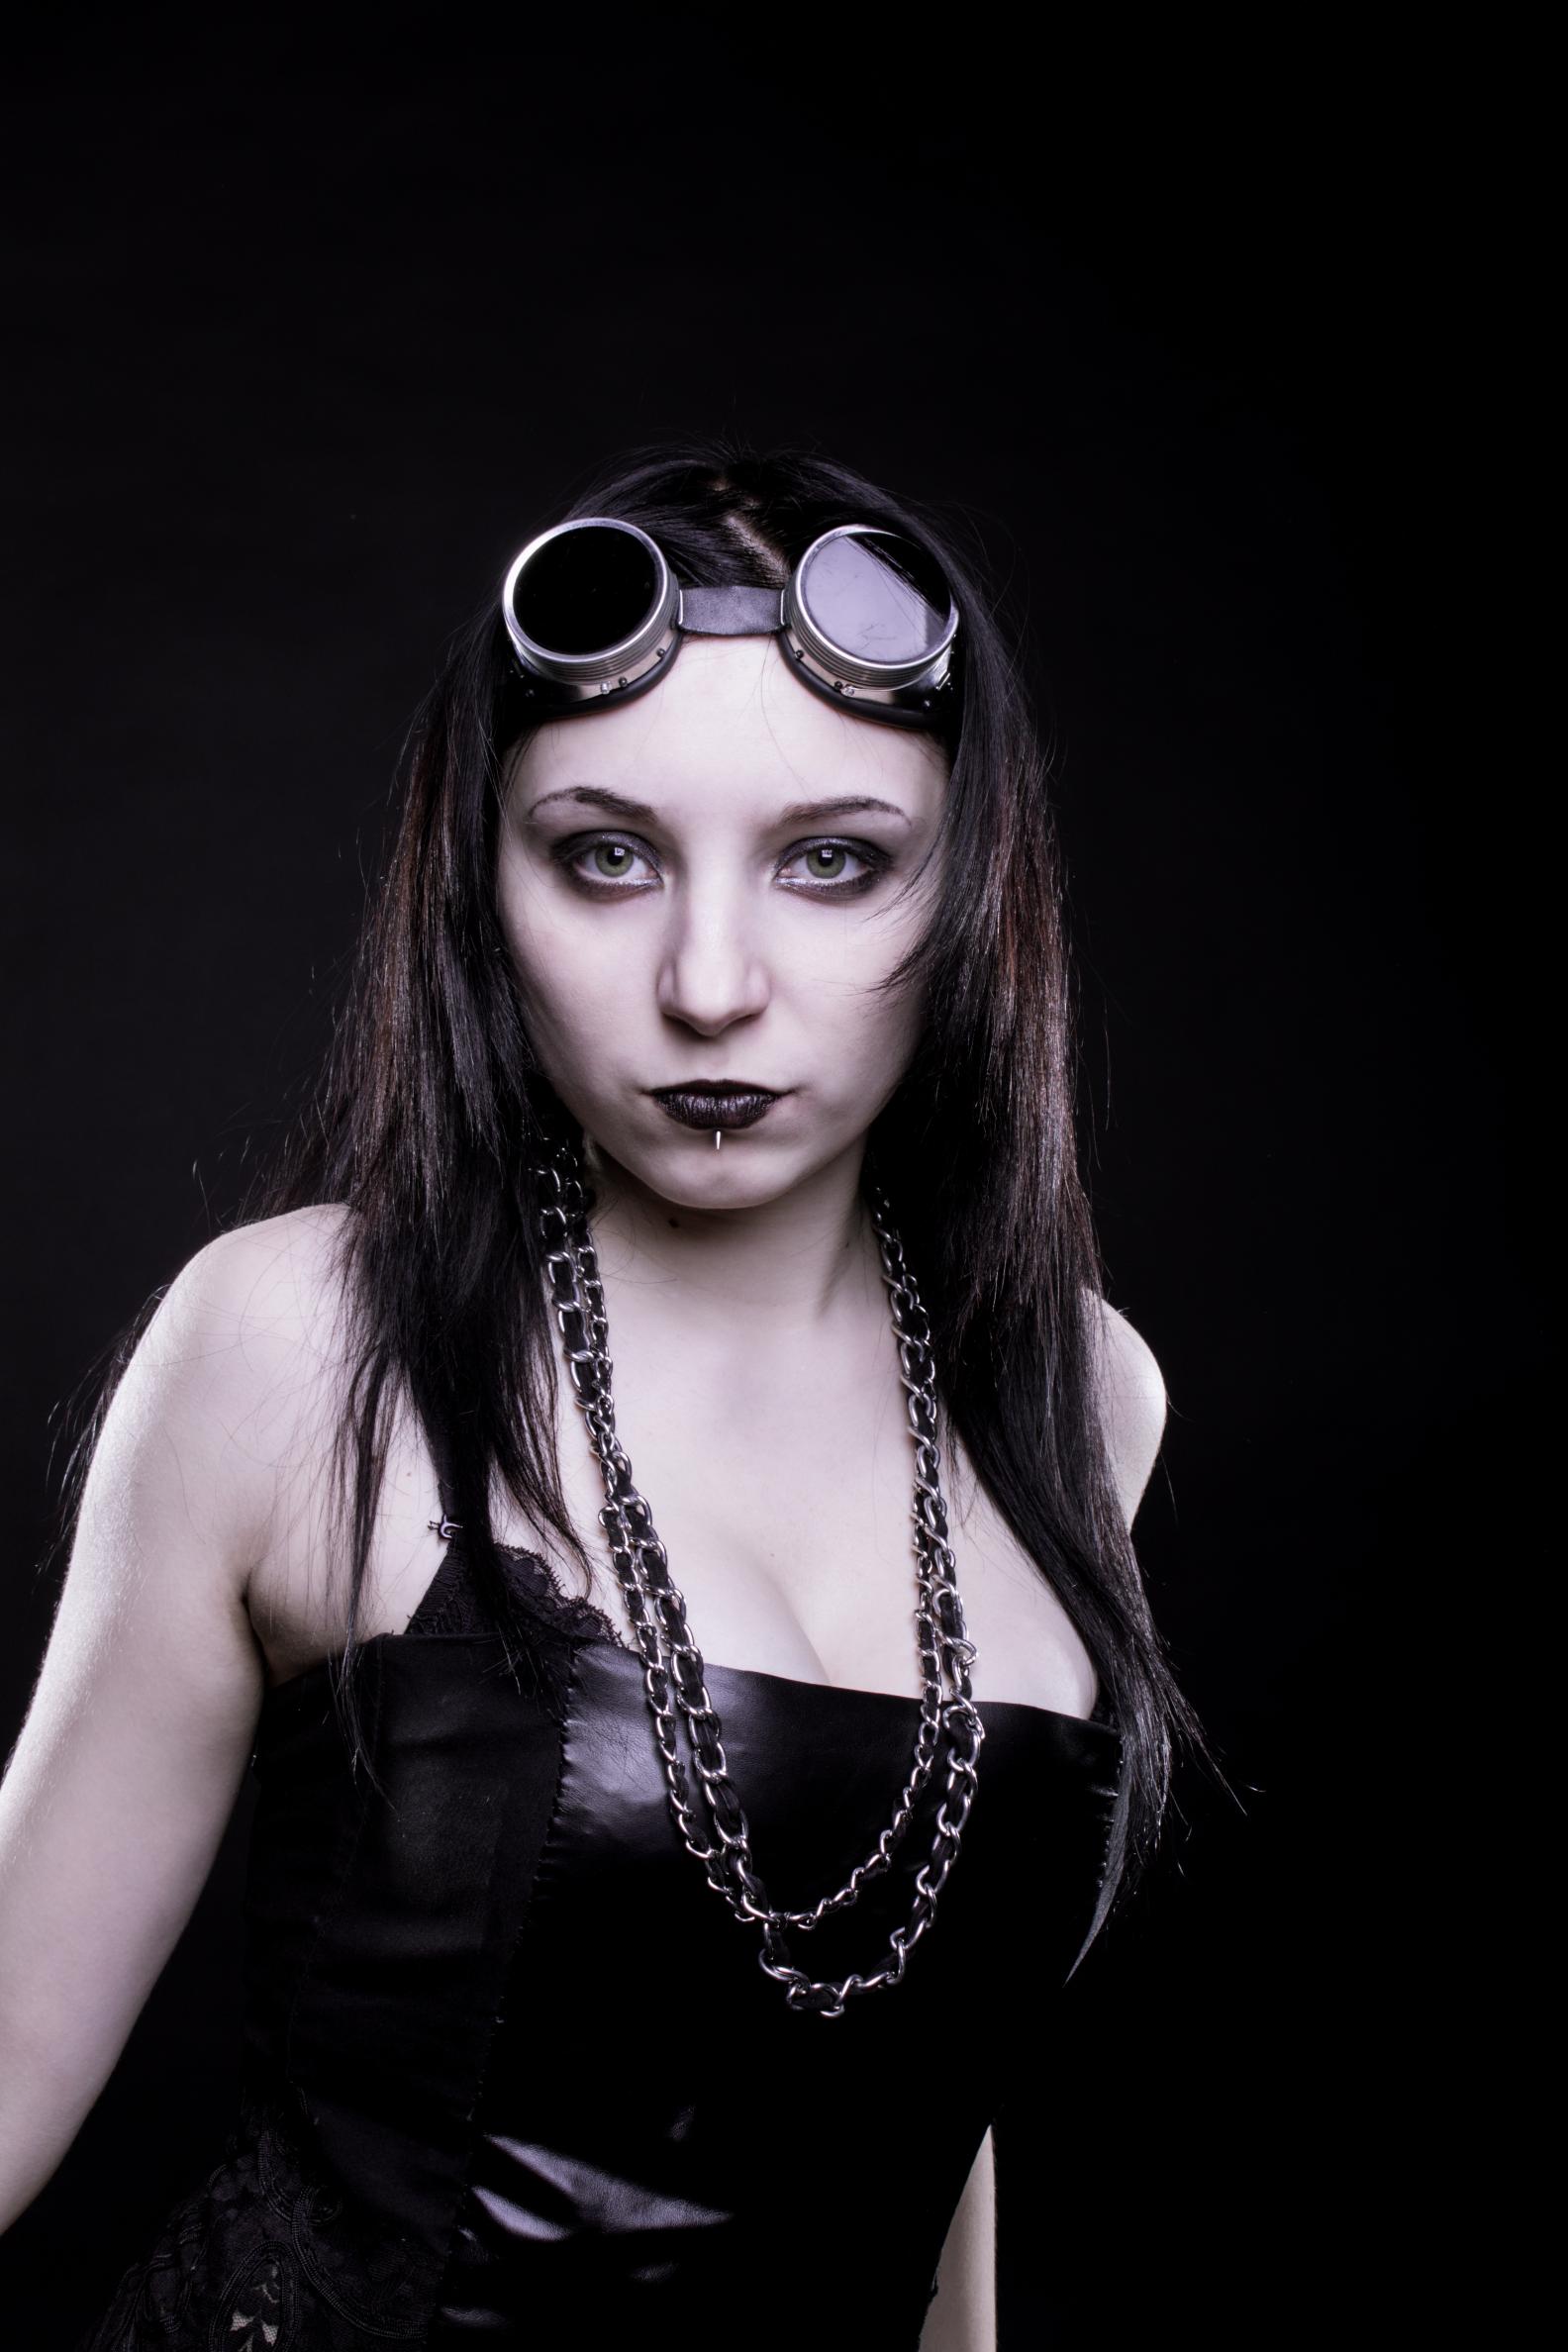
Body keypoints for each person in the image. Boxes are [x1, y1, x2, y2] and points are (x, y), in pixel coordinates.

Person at [0, 438, 1217, 2350]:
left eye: (834, 861)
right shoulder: (297, 1338)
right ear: (486, 877)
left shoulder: (1079, 1390)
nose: (709, 982)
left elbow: (914, 2077)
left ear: (970, 886)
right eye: (604, 853)